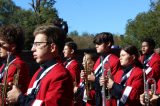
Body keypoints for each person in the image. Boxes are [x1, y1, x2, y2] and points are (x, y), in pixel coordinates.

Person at [7, 25, 73, 106]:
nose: (32, 49)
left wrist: (20, 98)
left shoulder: (61, 75)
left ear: (52, 47)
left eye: (37, 44)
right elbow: (32, 98)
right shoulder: (40, 71)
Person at [81, 32, 120, 106]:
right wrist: (86, 77)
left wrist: (94, 79)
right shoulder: (99, 59)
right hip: (97, 98)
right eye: (95, 44)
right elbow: (93, 78)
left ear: (108, 44)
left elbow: (113, 84)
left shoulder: (114, 60)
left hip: (108, 100)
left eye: (99, 43)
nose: (96, 46)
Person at [0, 25, 30, 105]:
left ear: (13, 47)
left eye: (2, 44)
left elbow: (6, 96)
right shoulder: (6, 64)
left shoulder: (18, 65)